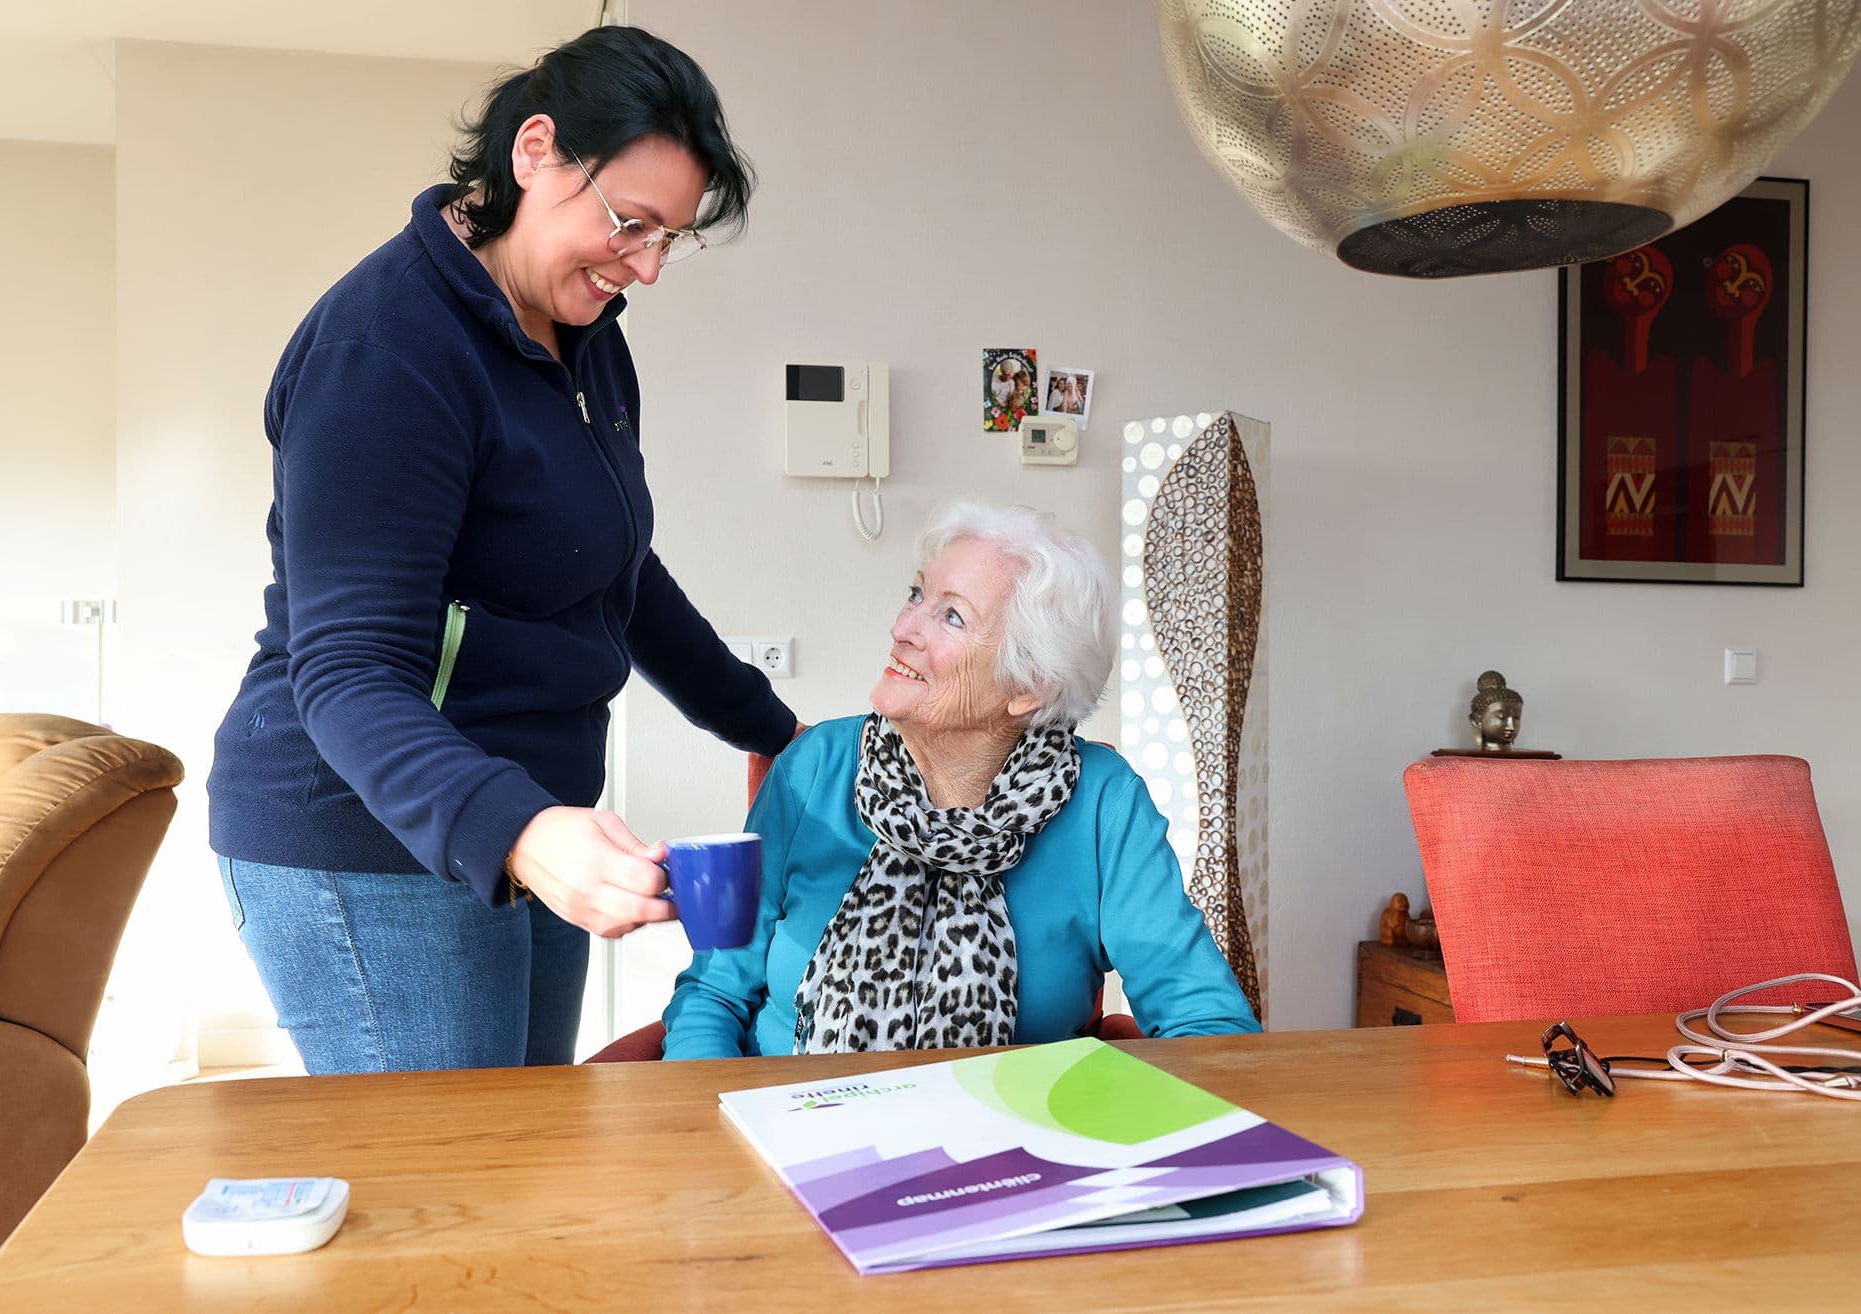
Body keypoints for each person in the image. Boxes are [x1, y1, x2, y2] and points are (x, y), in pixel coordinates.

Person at [208, 27, 798, 1075]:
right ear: (535, 152)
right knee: (455, 1166)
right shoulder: (386, 350)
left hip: (524, 814)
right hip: (370, 829)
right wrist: (521, 831)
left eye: (669, 239)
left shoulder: (588, 338)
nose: (646, 267)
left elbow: (616, 566)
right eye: (630, 223)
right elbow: (347, 673)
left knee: (526, 1146)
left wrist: (775, 731)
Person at [662, 502, 1259, 1058]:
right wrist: (710, 1116)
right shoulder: (815, 767)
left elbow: (1208, 1021)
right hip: (793, 1116)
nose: (903, 627)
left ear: (1028, 685)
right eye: (916, 594)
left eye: (951, 616)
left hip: (1015, 1127)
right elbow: (714, 993)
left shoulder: (1103, 802)